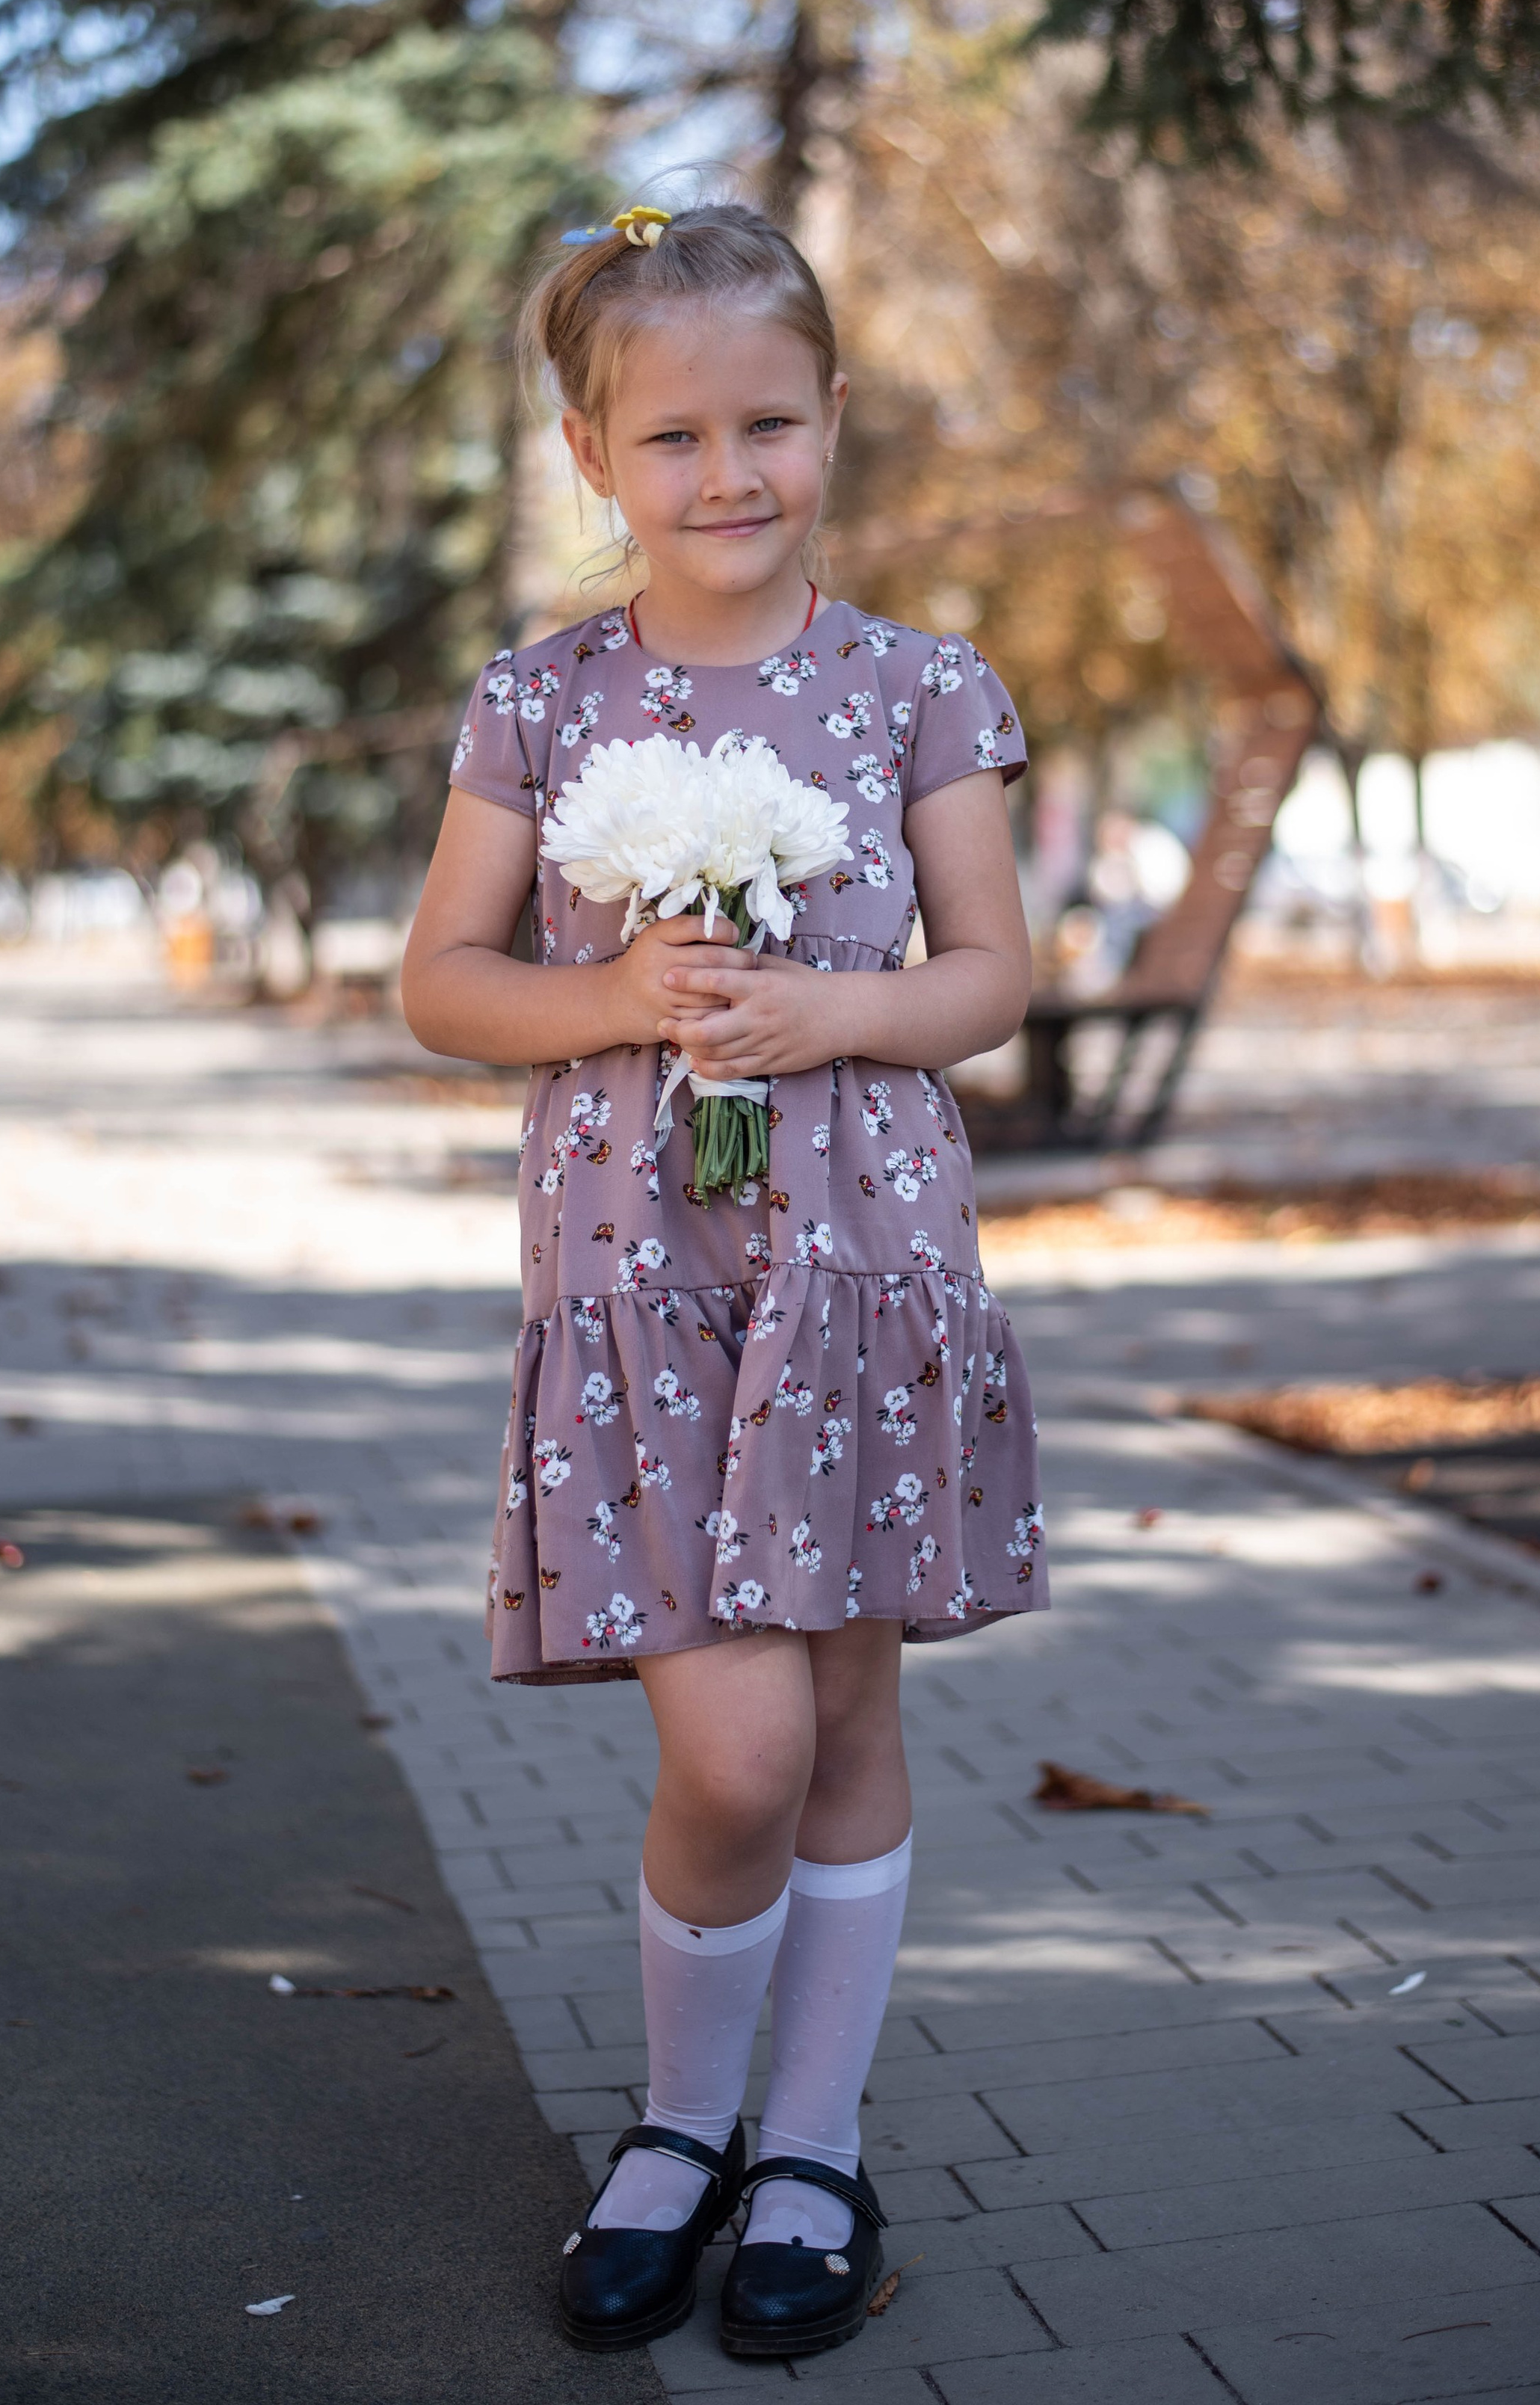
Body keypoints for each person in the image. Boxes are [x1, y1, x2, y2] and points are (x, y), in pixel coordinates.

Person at [401, 199, 1045, 2362]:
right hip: (640, 1285)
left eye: (769, 421)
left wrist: (826, 1014)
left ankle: (812, 2148)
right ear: (594, 454)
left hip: (859, 1265)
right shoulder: (544, 697)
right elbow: (444, 981)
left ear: (833, 415)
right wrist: (617, 995)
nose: (728, 472)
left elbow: (991, 977)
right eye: (673, 437)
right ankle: (682, 2121)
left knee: (846, 1713)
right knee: (741, 1747)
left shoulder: (921, 686)